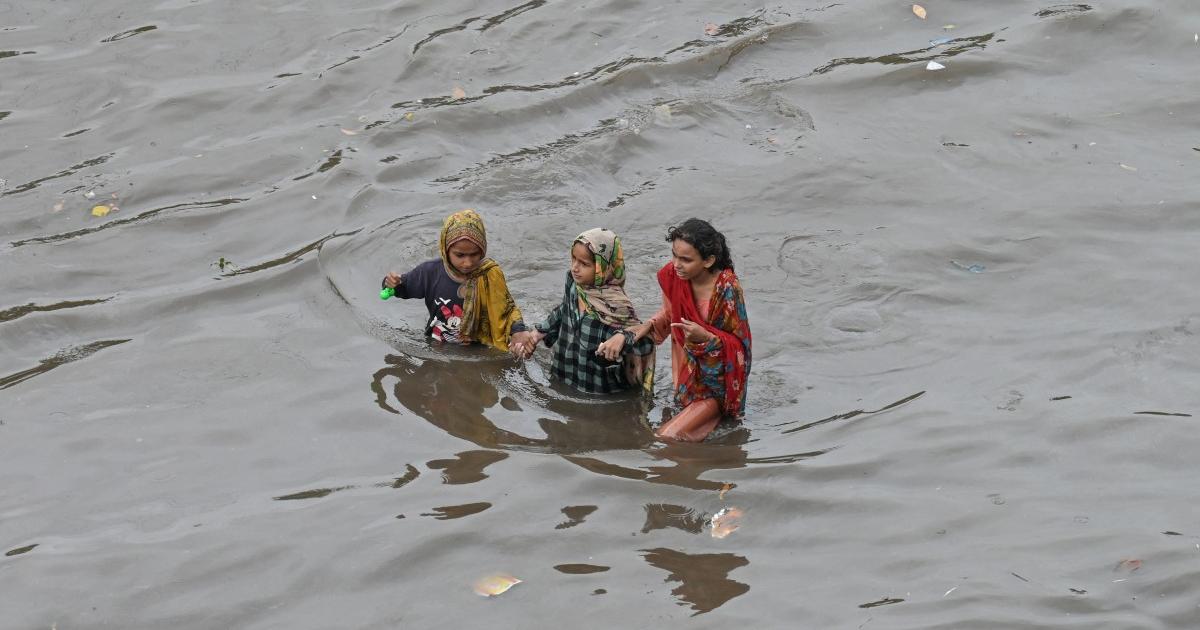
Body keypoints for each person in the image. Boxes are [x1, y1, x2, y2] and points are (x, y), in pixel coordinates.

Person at [628, 218, 751, 441]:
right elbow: (669, 314)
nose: (676, 264)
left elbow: (740, 346)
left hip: (717, 386)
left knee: (667, 437)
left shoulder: (727, 288)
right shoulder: (672, 276)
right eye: (674, 255)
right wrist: (647, 326)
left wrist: (706, 338)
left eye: (686, 259)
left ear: (708, 260)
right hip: (685, 375)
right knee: (676, 438)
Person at [511, 228, 655, 395]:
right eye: (574, 259)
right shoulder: (574, 284)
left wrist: (621, 341)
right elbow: (564, 311)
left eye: (584, 264)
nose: (575, 268)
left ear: (604, 267)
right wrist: (537, 334)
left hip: (597, 389)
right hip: (564, 372)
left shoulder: (617, 306)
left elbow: (645, 344)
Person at [381, 209, 526, 351]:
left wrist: (518, 332)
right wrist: (392, 284)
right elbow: (402, 288)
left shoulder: (489, 275)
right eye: (460, 255)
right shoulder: (430, 272)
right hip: (438, 345)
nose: (468, 263)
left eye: (474, 254)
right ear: (445, 249)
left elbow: (507, 310)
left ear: (483, 250)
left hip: (479, 347)